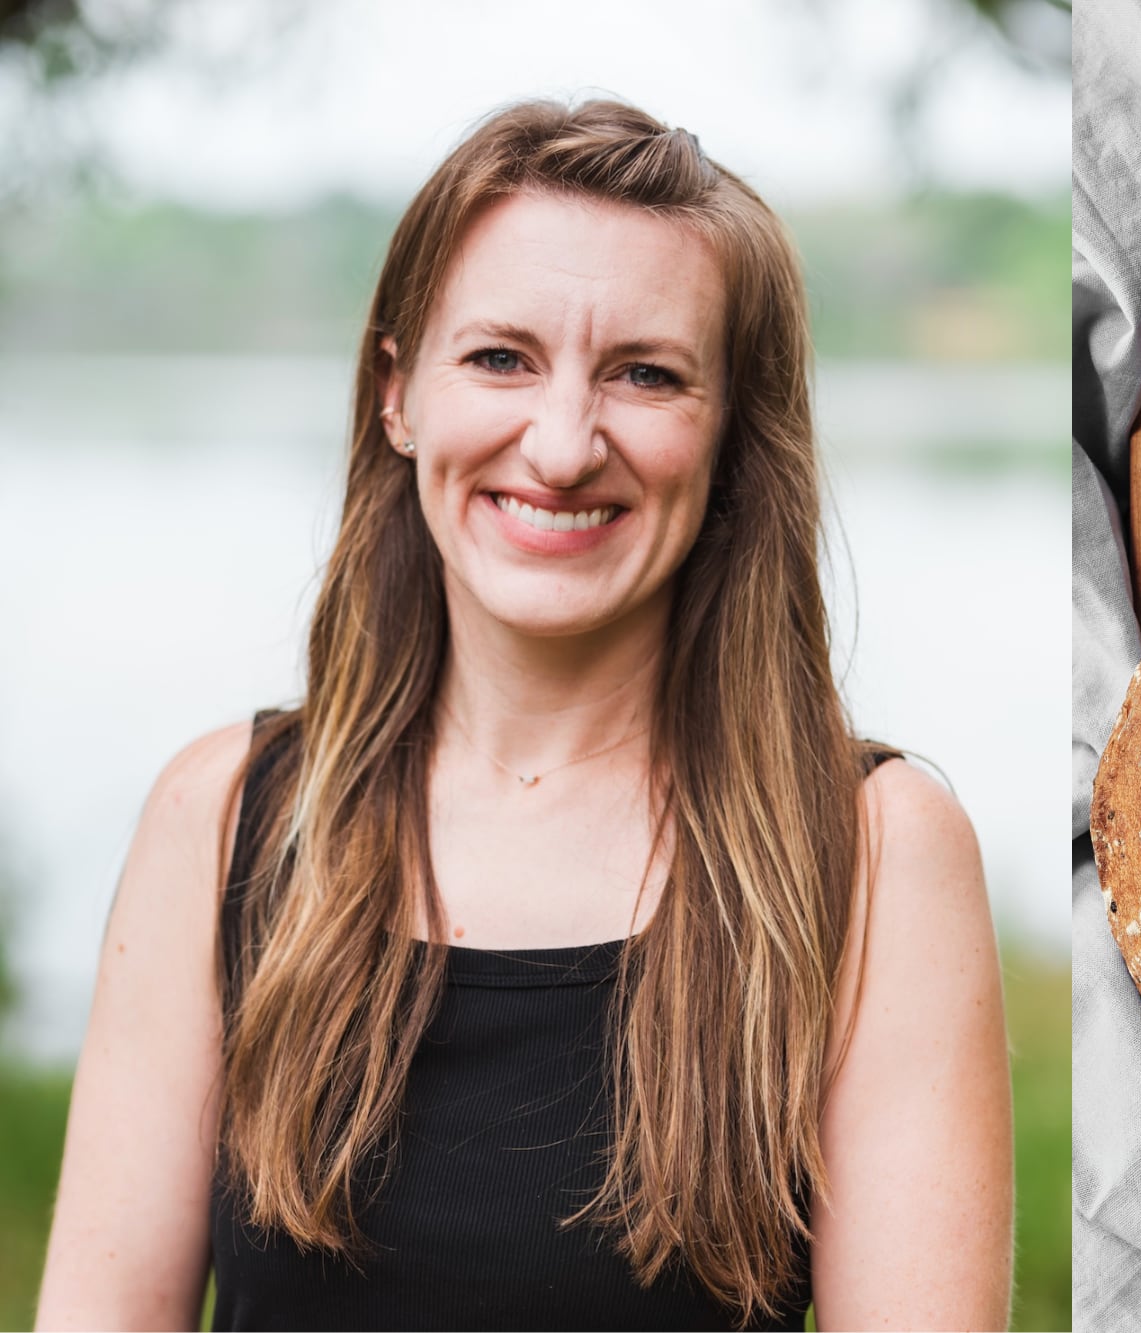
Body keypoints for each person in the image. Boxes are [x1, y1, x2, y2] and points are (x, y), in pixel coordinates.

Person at [34, 98, 1014, 1332]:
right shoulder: (222, 817)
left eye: (645, 375)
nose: (558, 447)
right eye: (500, 357)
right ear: (398, 395)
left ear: (727, 438)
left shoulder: (876, 853)